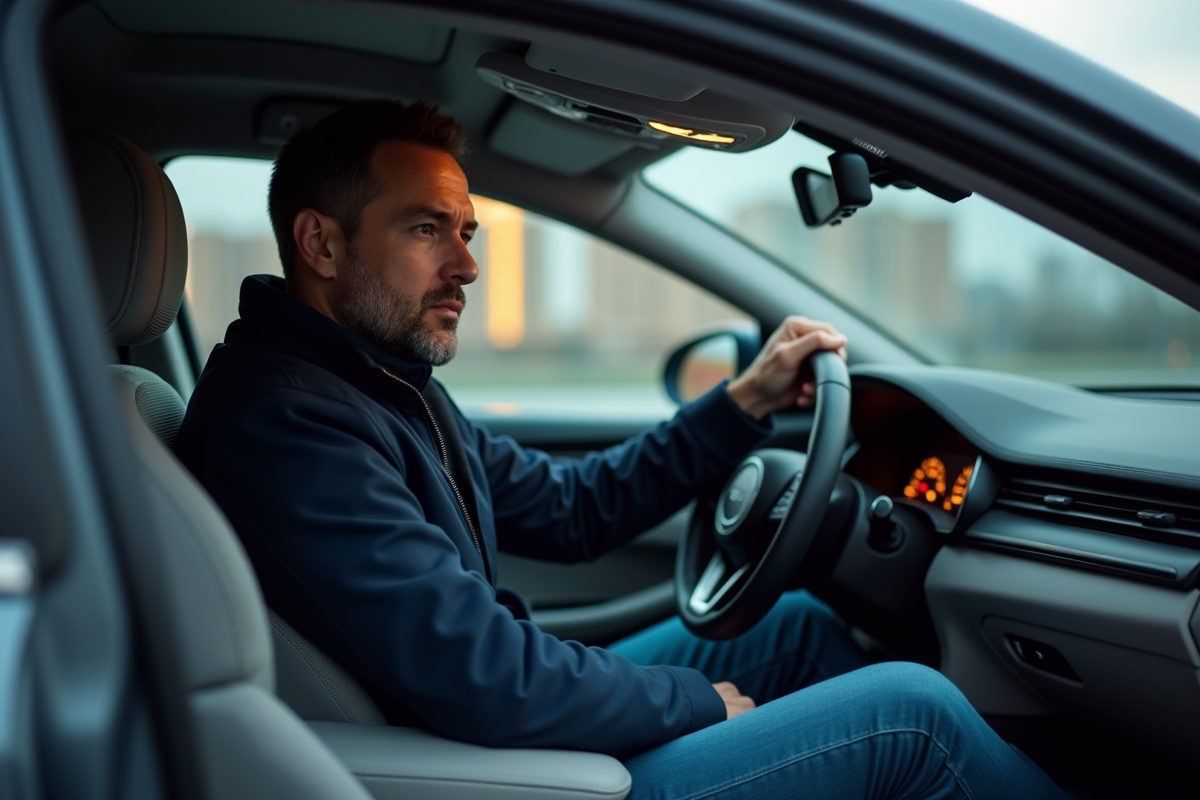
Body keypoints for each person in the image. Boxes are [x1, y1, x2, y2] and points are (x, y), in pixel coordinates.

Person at [174, 99, 1068, 799]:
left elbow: (572, 510)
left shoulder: (377, 386)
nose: (467, 265)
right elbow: (481, 673)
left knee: (795, 626)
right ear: (320, 242)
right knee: (913, 718)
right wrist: (693, 701)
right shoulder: (290, 426)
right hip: (493, 776)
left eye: (467, 231)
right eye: (425, 229)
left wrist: (745, 401)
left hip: (489, 732)